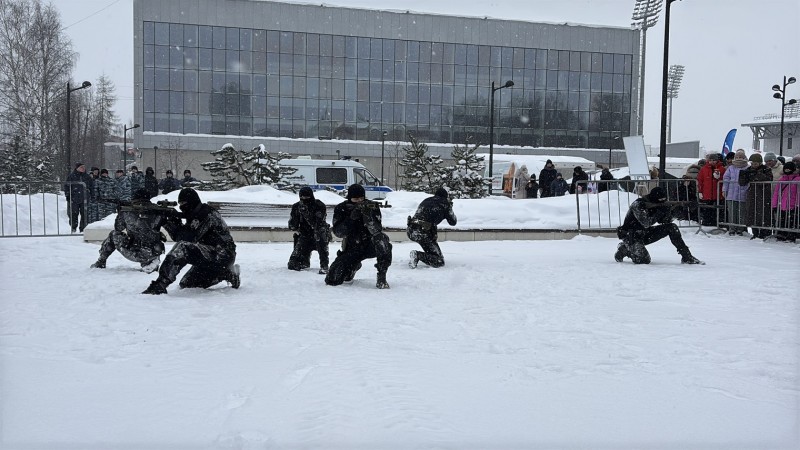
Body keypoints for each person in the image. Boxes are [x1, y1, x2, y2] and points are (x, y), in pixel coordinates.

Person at [142, 188, 240, 295]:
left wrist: (173, 220)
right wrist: (167, 222)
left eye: (183, 203)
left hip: (223, 254)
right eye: (180, 204)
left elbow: (186, 240)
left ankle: (160, 284)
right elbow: (180, 236)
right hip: (210, 256)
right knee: (187, 284)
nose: (181, 207)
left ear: (192, 201)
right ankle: (227, 274)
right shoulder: (194, 214)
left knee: (182, 247)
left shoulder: (206, 214)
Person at [325, 184, 393, 289]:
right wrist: (351, 219)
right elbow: (339, 233)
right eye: (356, 199)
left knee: (383, 241)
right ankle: (354, 266)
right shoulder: (341, 208)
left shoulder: (371, 206)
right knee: (332, 279)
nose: (359, 201)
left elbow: (377, 230)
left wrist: (368, 218)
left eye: (361, 198)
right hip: (352, 247)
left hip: (370, 244)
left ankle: (381, 276)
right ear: (350, 198)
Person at [614, 186, 704, 265]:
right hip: (631, 236)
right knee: (644, 260)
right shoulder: (638, 204)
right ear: (654, 199)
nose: (662, 202)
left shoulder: (657, 205)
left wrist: (677, 212)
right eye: (660, 201)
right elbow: (646, 223)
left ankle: (687, 256)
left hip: (645, 233)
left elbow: (664, 221)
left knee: (672, 227)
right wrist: (659, 212)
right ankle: (625, 249)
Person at [90, 189, 172, 273]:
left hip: (133, 251)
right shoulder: (158, 210)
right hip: (152, 252)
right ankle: (150, 263)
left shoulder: (127, 210)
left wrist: (120, 213)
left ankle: (101, 261)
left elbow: (118, 228)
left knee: (113, 234)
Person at [408, 187, 457, 269]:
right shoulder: (445, 204)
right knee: (439, 261)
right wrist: (450, 208)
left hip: (411, 230)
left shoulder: (427, 200)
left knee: (432, 253)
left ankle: (422, 256)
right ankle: (417, 255)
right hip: (422, 232)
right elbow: (453, 222)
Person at [287, 186, 331, 274]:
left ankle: (324, 265)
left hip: (318, 234)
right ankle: (304, 261)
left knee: (320, 234)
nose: (305, 199)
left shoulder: (319, 205)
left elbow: (318, 224)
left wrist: (306, 214)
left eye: (307, 196)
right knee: (293, 264)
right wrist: (295, 216)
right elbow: (293, 226)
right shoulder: (297, 206)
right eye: (302, 197)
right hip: (304, 235)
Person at [739, 153, 773, 239]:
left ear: (760, 163)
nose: (753, 165)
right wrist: (742, 175)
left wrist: (757, 174)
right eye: (752, 163)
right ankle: (755, 232)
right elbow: (742, 183)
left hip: (764, 194)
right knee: (752, 213)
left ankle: (764, 233)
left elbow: (768, 179)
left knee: (763, 214)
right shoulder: (749, 170)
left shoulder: (766, 169)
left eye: (756, 163)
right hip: (752, 194)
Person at [721, 149, 749, 235]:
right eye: (737, 157)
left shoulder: (747, 168)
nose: (739, 158)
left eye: (741, 157)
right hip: (731, 194)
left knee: (741, 213)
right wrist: (724, 190)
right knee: (732, 212)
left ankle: (740, 229)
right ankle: (732, 228)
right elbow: (726, 179)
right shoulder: (731, 168)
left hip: (743, 193)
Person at [771, 161, 799, 243]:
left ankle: (791, 237)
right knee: (782, 221)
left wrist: (798, 205)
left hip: (793, 205)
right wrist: (774, 205)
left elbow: (798, 194)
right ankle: (781, 235)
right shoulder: (781, 180)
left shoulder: (797, 180)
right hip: (782, 205)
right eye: (785, 169)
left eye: (789, 169)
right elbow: (776, 193)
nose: (787, 171)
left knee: (792, 222)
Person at [696, 153, 725, 226]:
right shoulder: (703, 169)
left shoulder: (722, 169)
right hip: (707, 195)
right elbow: (700, 181)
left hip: (718, 195)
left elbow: (725, 181)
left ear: (717, 160)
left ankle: (717, 223)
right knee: (707, 210)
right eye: (711, 160)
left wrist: (719, 177)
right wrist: (700, 191)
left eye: (714, 160)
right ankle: (707, 223)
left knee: (717, 210)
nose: (712, 162)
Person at [64, 162, 93, 233]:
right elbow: (67, 186)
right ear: (77, 168)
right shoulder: (71, 176)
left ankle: (83, 229)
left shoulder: (87, 177)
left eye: (84, 167)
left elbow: (92, 186)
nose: (83, 168)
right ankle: (73, 228)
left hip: (85, 198)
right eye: (81, 167)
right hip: (74, 198)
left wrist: (92, 195)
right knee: (74, 214)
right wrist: (67, 195)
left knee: (84, 214)